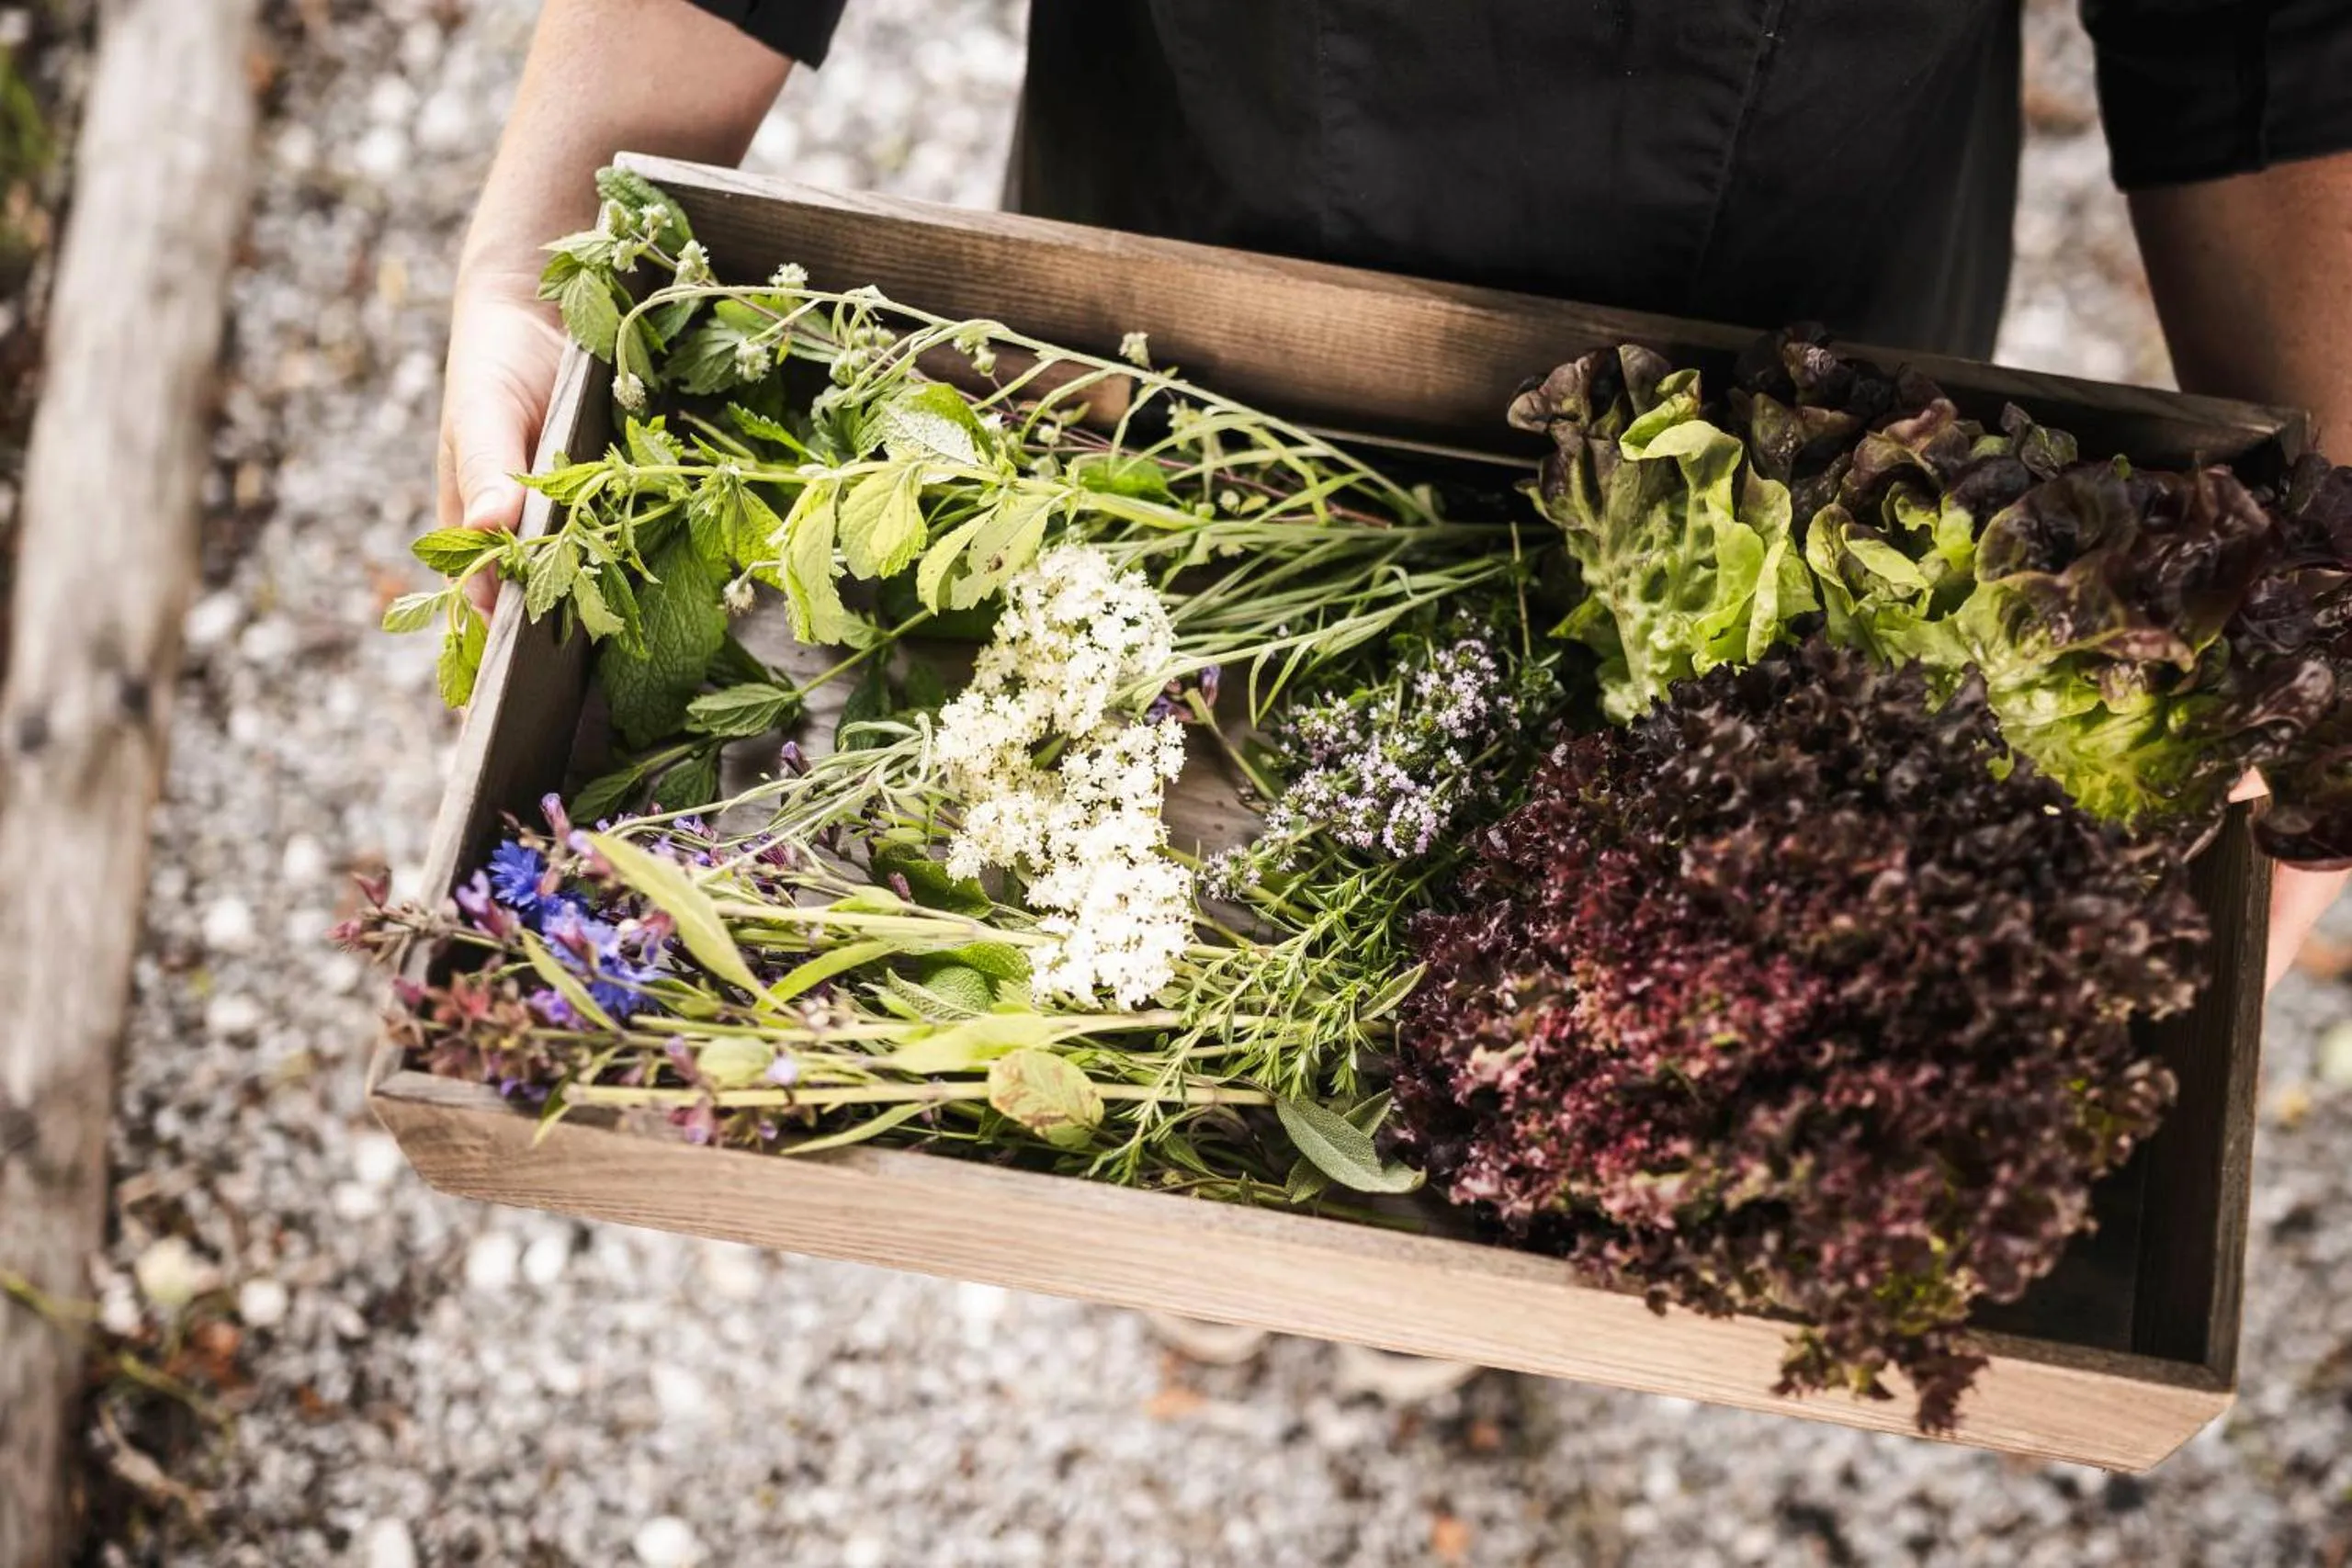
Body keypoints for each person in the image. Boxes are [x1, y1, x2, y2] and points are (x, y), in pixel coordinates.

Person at [438, 0, 2352, 979]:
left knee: (1699, 871)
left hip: (1787, 289)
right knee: (1174, 793)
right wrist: (549, 235)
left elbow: (2263, 36)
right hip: (1198, 210)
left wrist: (2312, 620)